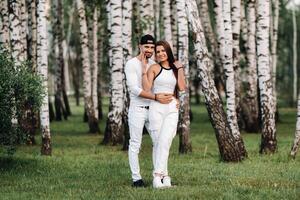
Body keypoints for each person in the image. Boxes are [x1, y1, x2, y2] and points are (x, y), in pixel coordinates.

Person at [125, 35, 174, 187]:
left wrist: (174, 101)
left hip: (154, 109)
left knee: (159, 143)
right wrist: (156, 97)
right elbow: (134, 89)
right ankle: (136, 179)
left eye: (152, 48)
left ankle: (159, 176)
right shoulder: (131, 64)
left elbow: (164, 83)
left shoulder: (154, 64)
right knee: (135, 144)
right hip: (137, 110)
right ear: (140, 46)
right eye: (147, 47)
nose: (150, 50)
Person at [141, 40, 186, 188]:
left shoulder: (175, 68)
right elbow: (147, 89)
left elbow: (181, 87)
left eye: (163, 51)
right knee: (159, 143)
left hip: (172, 108)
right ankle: (164, 177)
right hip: (157, 108)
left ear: (168, 51)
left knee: (165, 140)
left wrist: (179, 69)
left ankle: (157, 176)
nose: (160, 54)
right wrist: (143, 69)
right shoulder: (153, 68)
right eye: (157, 51)